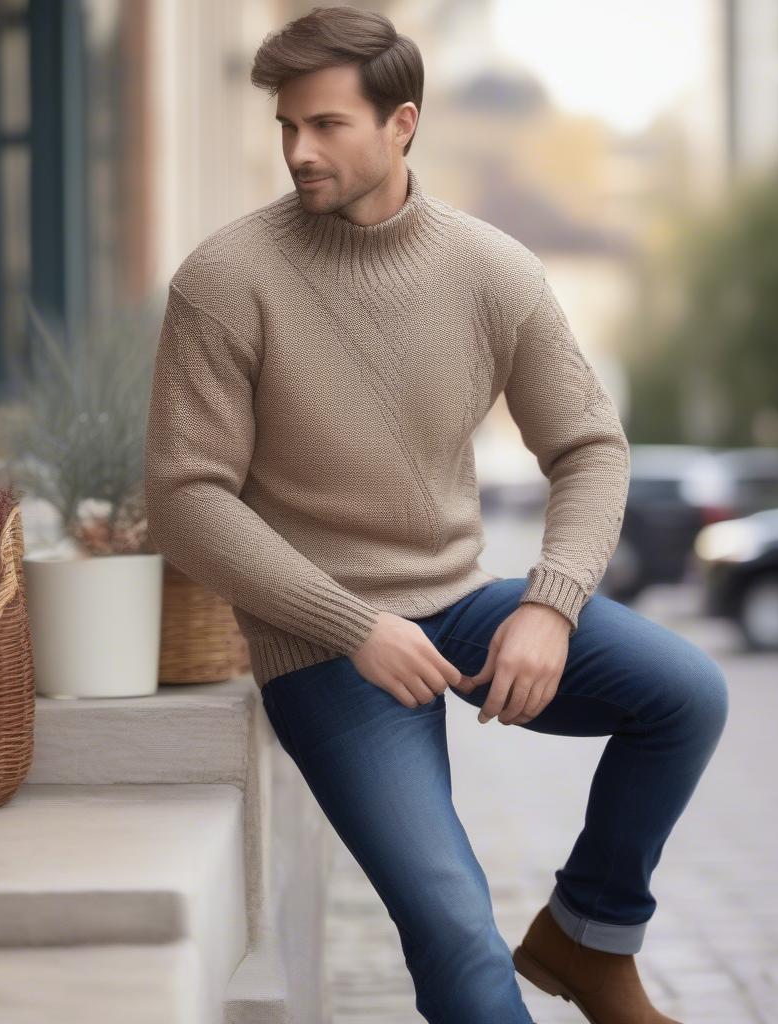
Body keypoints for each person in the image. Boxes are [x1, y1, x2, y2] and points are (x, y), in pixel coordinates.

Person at [143, 7, 728, 1023]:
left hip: (463, 602)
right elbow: (186, 498)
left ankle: (587, 939)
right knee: (456, 929)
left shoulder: (493, 271)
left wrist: (548, 605)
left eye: (326, 125)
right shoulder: (225, 282)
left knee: (684, 693)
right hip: (322, 648)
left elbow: (589, 446)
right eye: (288, 126)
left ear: (401, 124)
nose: (297, 150)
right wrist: (351, 624)